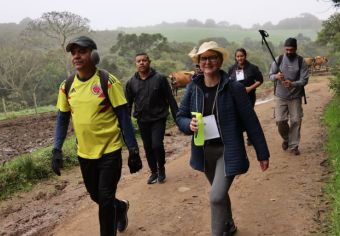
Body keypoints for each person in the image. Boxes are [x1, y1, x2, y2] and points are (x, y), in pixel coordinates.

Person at [51, 36, 142, 236]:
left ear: (93, 54)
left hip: (109, 151)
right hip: (84, 153)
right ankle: (121, 207)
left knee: (105, 199)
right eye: (73, 53)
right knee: (96, 196)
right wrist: (56, 149)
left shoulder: (107, 82)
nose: (76, 56)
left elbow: (123, 117)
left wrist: (133, 149)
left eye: (81, 51)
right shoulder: (66, 86)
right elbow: (62, 119)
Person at [176, 41, 270, 235]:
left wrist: (262, 153)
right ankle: (229, 225)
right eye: (204, 58)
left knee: (216, 196)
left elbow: (251, 121)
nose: (208, 62)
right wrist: (188, 124)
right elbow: (180, 116)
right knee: (219, 194)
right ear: (199, 62)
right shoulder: (193, 88)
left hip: (228, 150)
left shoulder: (233, 88)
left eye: (212, 57)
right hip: (204, 150)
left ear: (219, 61)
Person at [125, 52, 178, 184]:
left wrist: (178, 117)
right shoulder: (131, 82)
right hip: (142, 120)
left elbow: (170, 98)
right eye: (138, 61)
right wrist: (125, 122)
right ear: (135, 64)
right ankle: (154, 172)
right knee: (148, 147)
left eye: (144, 60)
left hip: (159, 118)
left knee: (156, 144)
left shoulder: (160, 78)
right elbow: (128, 103)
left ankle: (161, 168)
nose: (141, 63)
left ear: (149, 62)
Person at [269, 37, 309, 155]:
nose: (289, 52)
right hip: (280, 96)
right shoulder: (279, 59)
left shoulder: (301, 61)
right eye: (287, 49)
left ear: (296, 49)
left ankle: (294, 145)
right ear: (284, 49)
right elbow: (270, 75)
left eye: (291, 50)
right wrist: (276, 76)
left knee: (296, 120)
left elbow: (304, 80)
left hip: (295, 96)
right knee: (280, 121)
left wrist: (293, 84)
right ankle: (287, 139)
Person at [228, 48, 264, 146]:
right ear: (235, 57)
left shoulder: (252, 68)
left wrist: (250, 88)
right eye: (238, 56)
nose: (240, 58)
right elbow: (228, 82)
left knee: (248, 116)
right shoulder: (232, 68)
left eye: (241, 56)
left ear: (245, 56)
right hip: (235, 97)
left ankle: (250, 137)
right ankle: (238, 138)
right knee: (236, 117)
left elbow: (260, 80)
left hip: (249, 96)